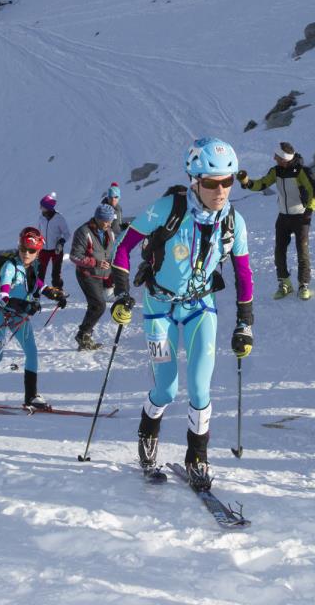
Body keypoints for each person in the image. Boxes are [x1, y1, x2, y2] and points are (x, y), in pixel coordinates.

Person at [111, 137, 254, 488]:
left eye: (228, 181)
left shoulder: (234, 223)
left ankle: (197, 458)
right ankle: (147, 436)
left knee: (200, 389)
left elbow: (244, 274)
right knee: (166, 389)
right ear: (194, 179)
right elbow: (124, 247)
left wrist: (245, 324)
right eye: (211, 183)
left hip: (201, 307)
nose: (220, 191)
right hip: (159, 308)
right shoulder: (167, 209)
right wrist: (121, 293)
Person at [0, 227, 67, 409]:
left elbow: (36, 283)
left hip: (18, 317)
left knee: (32, 352)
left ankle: (31, 396)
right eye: (23, 249)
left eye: (32, 251)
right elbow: (2, 297)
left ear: (38, 252)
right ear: (18, 246)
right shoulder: (9, 267)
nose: (26, 254)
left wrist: (52, 293)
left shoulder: (34, 266)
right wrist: (25, 305)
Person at [239, 142, 315, 300]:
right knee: (279, 251)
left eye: (277, 156)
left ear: (284, 158)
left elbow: (314, 192)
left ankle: (303, 285)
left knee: (302, 251)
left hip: (301, 217)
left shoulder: (301, 172)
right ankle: (285, 283)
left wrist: (309, 211)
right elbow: (262, 183)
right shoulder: (276, 171)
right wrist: (246, 182)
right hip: (283, 216)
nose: (274, 157)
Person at [69, 203, 117, 350]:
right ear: (97, 218)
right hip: (87, 274)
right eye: (105, 221)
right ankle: (83, 334)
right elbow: (74, 256)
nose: (108, 224)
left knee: (95, 305)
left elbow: (111, 252)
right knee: (99, 305)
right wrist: (95, 263)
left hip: (102, 274)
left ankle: (85, 336)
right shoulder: (83, 232)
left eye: (110, 221)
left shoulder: (110, 232)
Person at [35, 192, 71, 289]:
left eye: (42, 206)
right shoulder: (41, 217)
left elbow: (67, 234)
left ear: (48, 207)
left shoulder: (59, 218)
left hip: (56, 250)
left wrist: (61, 242)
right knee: (40, 272)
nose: (40, 208)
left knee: (56, 273)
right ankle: (37, 292)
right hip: (43, 249)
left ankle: (58, 291)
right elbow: (39, 232)